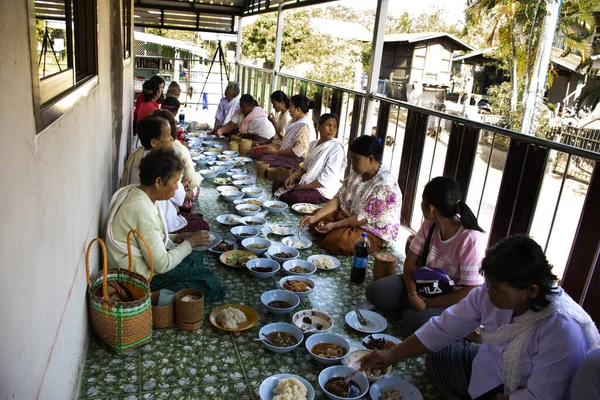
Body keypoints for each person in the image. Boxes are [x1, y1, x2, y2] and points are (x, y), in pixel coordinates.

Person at [361, 236, 600, 400]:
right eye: (489, 284)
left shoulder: (561, 330)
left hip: (526, 393)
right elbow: (444, 328)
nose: (489, 293)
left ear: (532, 291)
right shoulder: (490, 292)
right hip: (493, 367)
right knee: (437, 358)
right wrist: (392, 354)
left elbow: (541, 396)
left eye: (497, 290)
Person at [365, 176, 486, 334]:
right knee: (375, 292)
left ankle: (412, 310)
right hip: (422, 284)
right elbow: (410, 262)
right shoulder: (430, 224)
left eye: (422, 200)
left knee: (415, 323)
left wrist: (429, 303)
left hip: (451, 299)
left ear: (431, 208)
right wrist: (412, 293)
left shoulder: (470, 239)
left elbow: (470, 290)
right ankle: (411, 307)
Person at [104, 148, 225, 298]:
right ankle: (155, 299)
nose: (177, 187)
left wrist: (179, 237)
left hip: (140, 263)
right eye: (175, 181)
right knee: (209, 282)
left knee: (195, 257)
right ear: (159, 182)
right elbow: (161, 265)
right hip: (136, 278)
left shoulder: (139, 194)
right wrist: (190, 243)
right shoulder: (142, 209)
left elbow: (146, 240)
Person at [299, 135, 401, 255]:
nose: (352, 164)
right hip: (349, 216)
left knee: (340, 241)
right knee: (315, 218)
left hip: (370, 230)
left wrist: (333, 225)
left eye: (356, 159)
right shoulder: (357, 171)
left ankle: (333, 233)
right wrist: (316, 217)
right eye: (351, 159)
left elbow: (361, 219)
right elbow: (339, 198)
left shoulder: (385, 184)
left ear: (371, 159)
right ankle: (332, 231)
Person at [121, 115, 205, 234]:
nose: (172, 139)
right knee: (202, 225)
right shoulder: (159, 162)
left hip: (156, 212)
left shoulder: (142, 154)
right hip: (160, 220)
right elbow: (174, 193)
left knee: (196, 218)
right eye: (167, 135)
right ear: (154, 142)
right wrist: (186, 194)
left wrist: (179, 184)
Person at [272, 113, 345, 205]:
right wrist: (292, 176)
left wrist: (304, 187)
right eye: (328, 125)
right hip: (308, 181)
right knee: (278, 182)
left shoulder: (336, 149)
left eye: (335, 127)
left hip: (322, 189)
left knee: (295, 196)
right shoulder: (313, 144)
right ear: (318, 126)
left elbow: (325, 180)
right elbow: (304, 167)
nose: (332, 129)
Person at [257, 94, 314, 170]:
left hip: (298, 160)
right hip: (287, 154)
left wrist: (277, 152)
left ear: (298, 109)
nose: (289, 109)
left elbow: (297, 151)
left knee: (265, 159)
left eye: (290, 106)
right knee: (262, 153)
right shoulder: (295, 121)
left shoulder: (303, 126)